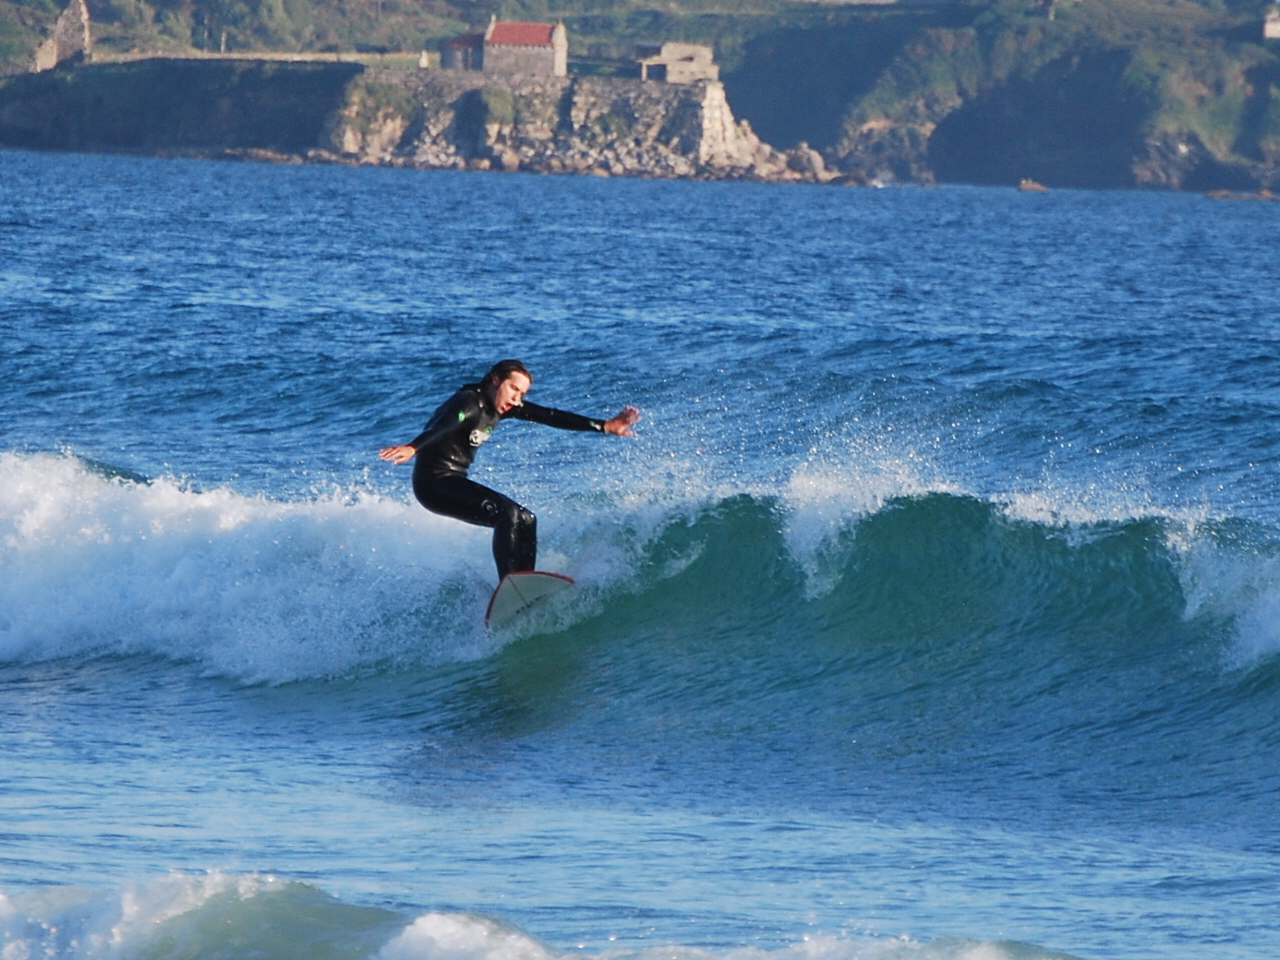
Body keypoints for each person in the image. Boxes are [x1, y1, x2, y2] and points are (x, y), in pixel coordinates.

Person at [380, 360, 640, 580]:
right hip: (433, 484)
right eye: (513, 389)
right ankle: (510, 583)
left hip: (453, 480)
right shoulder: (470, 402)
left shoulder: (501, 408)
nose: (517, 399)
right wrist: (414, 447)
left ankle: (524, 583)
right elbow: (445, 425)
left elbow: (550, 416)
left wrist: (604, 426)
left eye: (522, 394)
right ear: (495, 380)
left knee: (527, 518)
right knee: (507, 514)